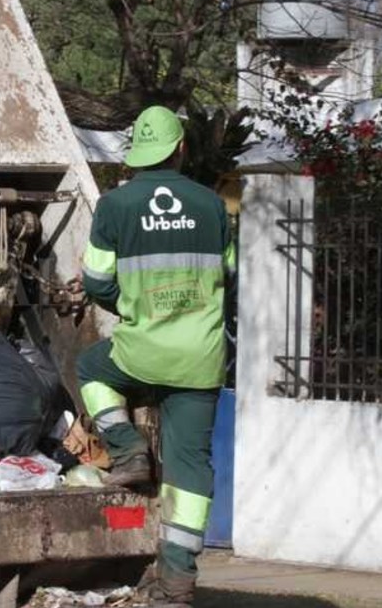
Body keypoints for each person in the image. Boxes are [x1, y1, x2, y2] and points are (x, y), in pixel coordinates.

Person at [77, 106, 235, 608]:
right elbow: (228, 274)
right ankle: (177, 584)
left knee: (90, 368)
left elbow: (97, 281)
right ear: (182, 148)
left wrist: (128, 306)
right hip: (200, 358)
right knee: (191, 468)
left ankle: (128, 451)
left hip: (140, 353)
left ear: (139, 155)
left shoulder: (116, 205)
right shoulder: (212, 205)